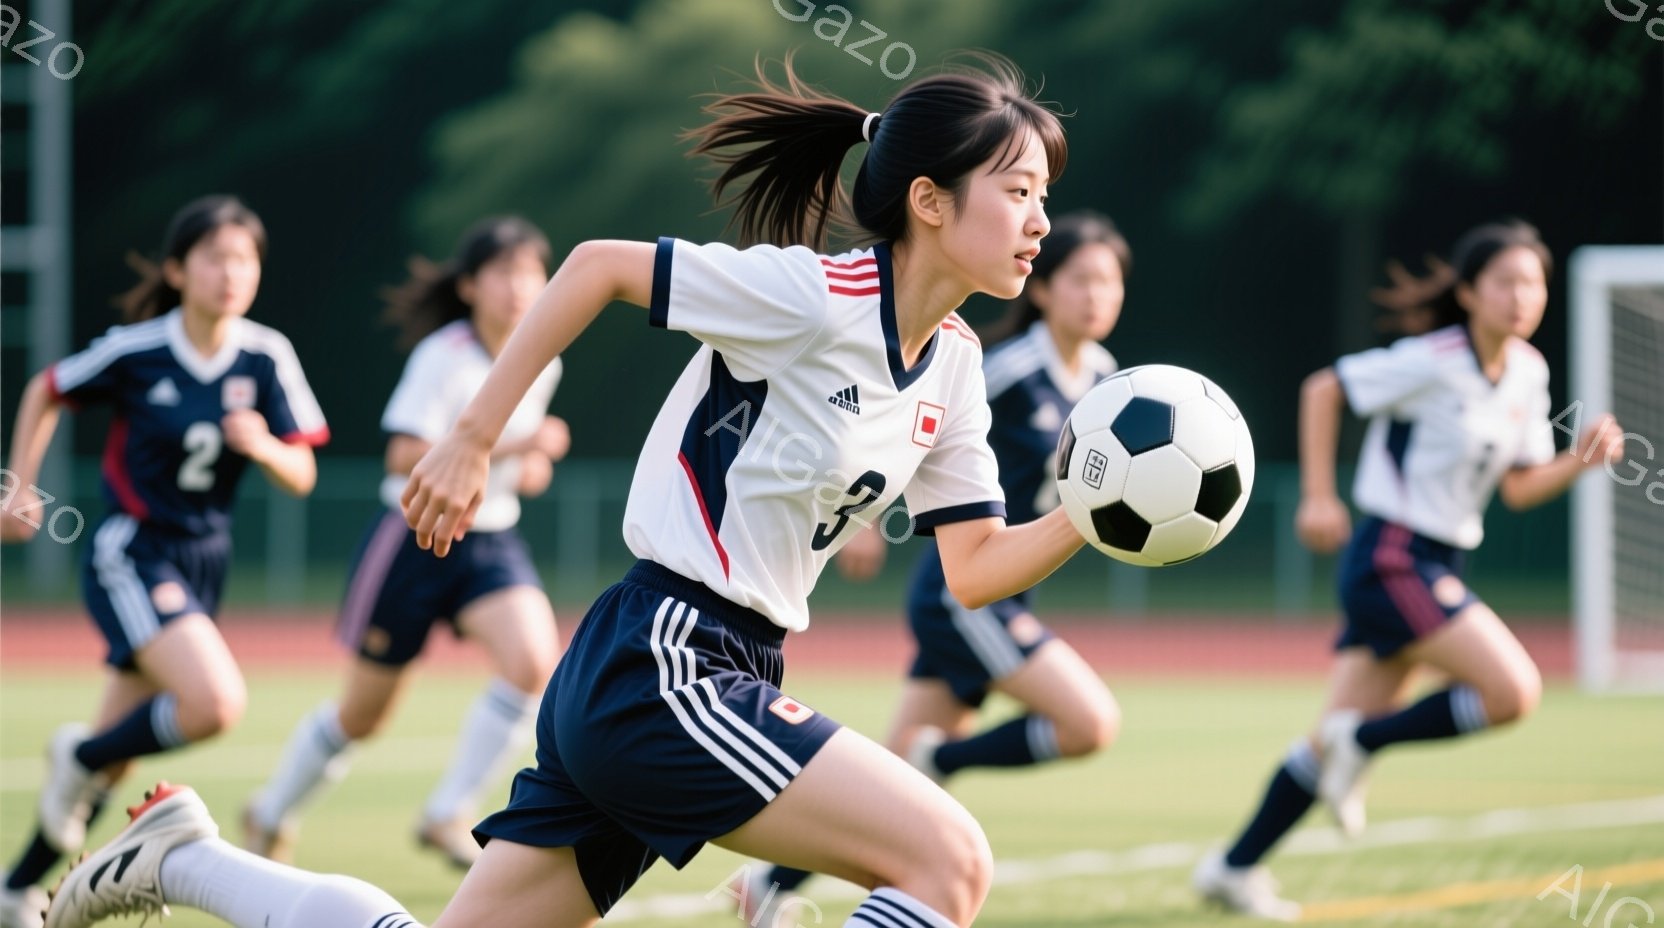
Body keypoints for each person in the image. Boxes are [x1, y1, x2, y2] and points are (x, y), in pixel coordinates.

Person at [45, 53, 1095, 928]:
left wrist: (1092, 510)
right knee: (947, 861)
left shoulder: (953, 366)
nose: (1039, 219)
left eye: (1041, 194)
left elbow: (973, 570)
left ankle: (184, 860)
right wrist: (467, 437)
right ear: (926, 199)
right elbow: (593, 266)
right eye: (1016, 190)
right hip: (666, 662)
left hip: (691, 667)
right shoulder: (811, 295)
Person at [1191, 220, 1626, 921]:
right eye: (1506, 281)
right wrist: (1319, 496)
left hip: (1438, 558)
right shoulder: (1432, 358)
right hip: (1392, 554)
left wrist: (1578, 462)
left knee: (1322, 743)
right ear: (1468, 291)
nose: (1522, 297)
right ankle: (1361, 742)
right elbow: (1322, 389)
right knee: (1512, 691)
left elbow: (1517, 487)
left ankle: (1231, 866)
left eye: (1533, 282)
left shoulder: (1528, 372)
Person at [744, 210, 1129, 919]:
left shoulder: (1109, 383)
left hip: (1009, 591)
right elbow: (902, 424)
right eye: (1081, 279)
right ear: (1043, 290)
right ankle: (942, 759)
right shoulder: (1005, 367)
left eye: (1110, 282)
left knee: (886, 783)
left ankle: (769, 884)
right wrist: (862, 518)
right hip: (968, 593)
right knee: (1089, 723)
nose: (1097, 296)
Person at [0, 196, 328, 928]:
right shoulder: (136, 348)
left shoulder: (266, 354)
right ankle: (79, 756)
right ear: (178, 269)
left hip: (205, 559)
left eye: (244, 260)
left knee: (110, 762)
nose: (231, 273)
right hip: (133, 550)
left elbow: (302, 472)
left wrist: (265, 445)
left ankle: (17, 886)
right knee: (214, 705)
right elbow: (44, 390)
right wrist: (22, 486)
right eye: (215, 257)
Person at [242, 217, 568, 870]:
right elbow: (404, 456)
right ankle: (271, 811)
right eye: (503, 272)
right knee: (363, 717)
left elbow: (506, 467)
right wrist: (519, 446)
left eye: (531, 273)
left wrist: (528, 468)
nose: (518, 288)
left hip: (491, 538)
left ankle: (448, 812)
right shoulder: (442, 357)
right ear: (471, 286)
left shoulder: (545, 360)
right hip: (414, 537)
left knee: (534, 663)